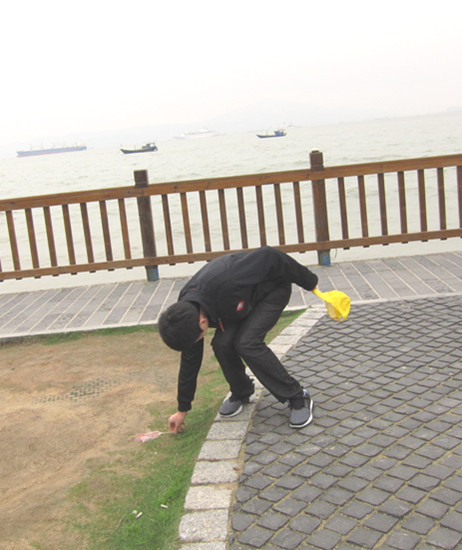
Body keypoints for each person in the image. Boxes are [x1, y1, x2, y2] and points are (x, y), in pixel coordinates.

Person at [158, 246, 319, 434]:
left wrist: (310, 283)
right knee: (221, 344)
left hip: (272, 290)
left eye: (199, 336)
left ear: (202, 322)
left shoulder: (228, 279)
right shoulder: (185, 312)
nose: (197, 342)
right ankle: (242, 391)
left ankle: (298, 396)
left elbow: (271, 256)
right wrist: (182, 409)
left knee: (247, 343)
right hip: (237, 304)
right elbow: (190, 360)